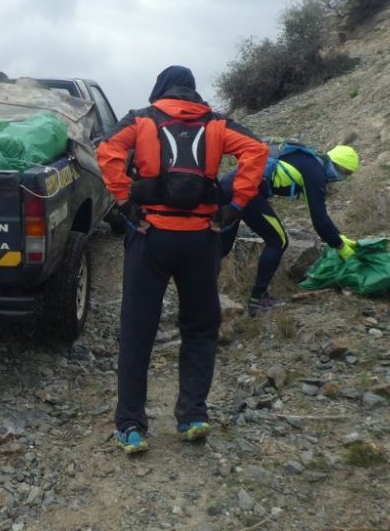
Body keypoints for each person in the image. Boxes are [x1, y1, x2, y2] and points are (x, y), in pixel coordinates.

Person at [96, 65, 268, 454]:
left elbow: (107, 150)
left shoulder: (141, 119)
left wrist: (125, 201)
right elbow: (256, 151)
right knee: (200, 328)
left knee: (138, 331)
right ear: (192, 91)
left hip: (150, 237)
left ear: (161, 89)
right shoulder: (217, 123)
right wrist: (236, 205)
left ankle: (131, 426)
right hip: (200, 240)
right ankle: (192, 416)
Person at [219, 142, 360, 315]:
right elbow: (320, 221)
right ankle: (258, 299)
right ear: (338, 163)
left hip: (229, 186)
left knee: (221, 248)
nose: (342, 178)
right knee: (277, 241)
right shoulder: (316, 173)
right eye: (344, 172)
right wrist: (341, 247)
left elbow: (320, 217)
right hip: (245, 192)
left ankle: (198, 294)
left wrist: (339, 237)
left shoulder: (309, 161)